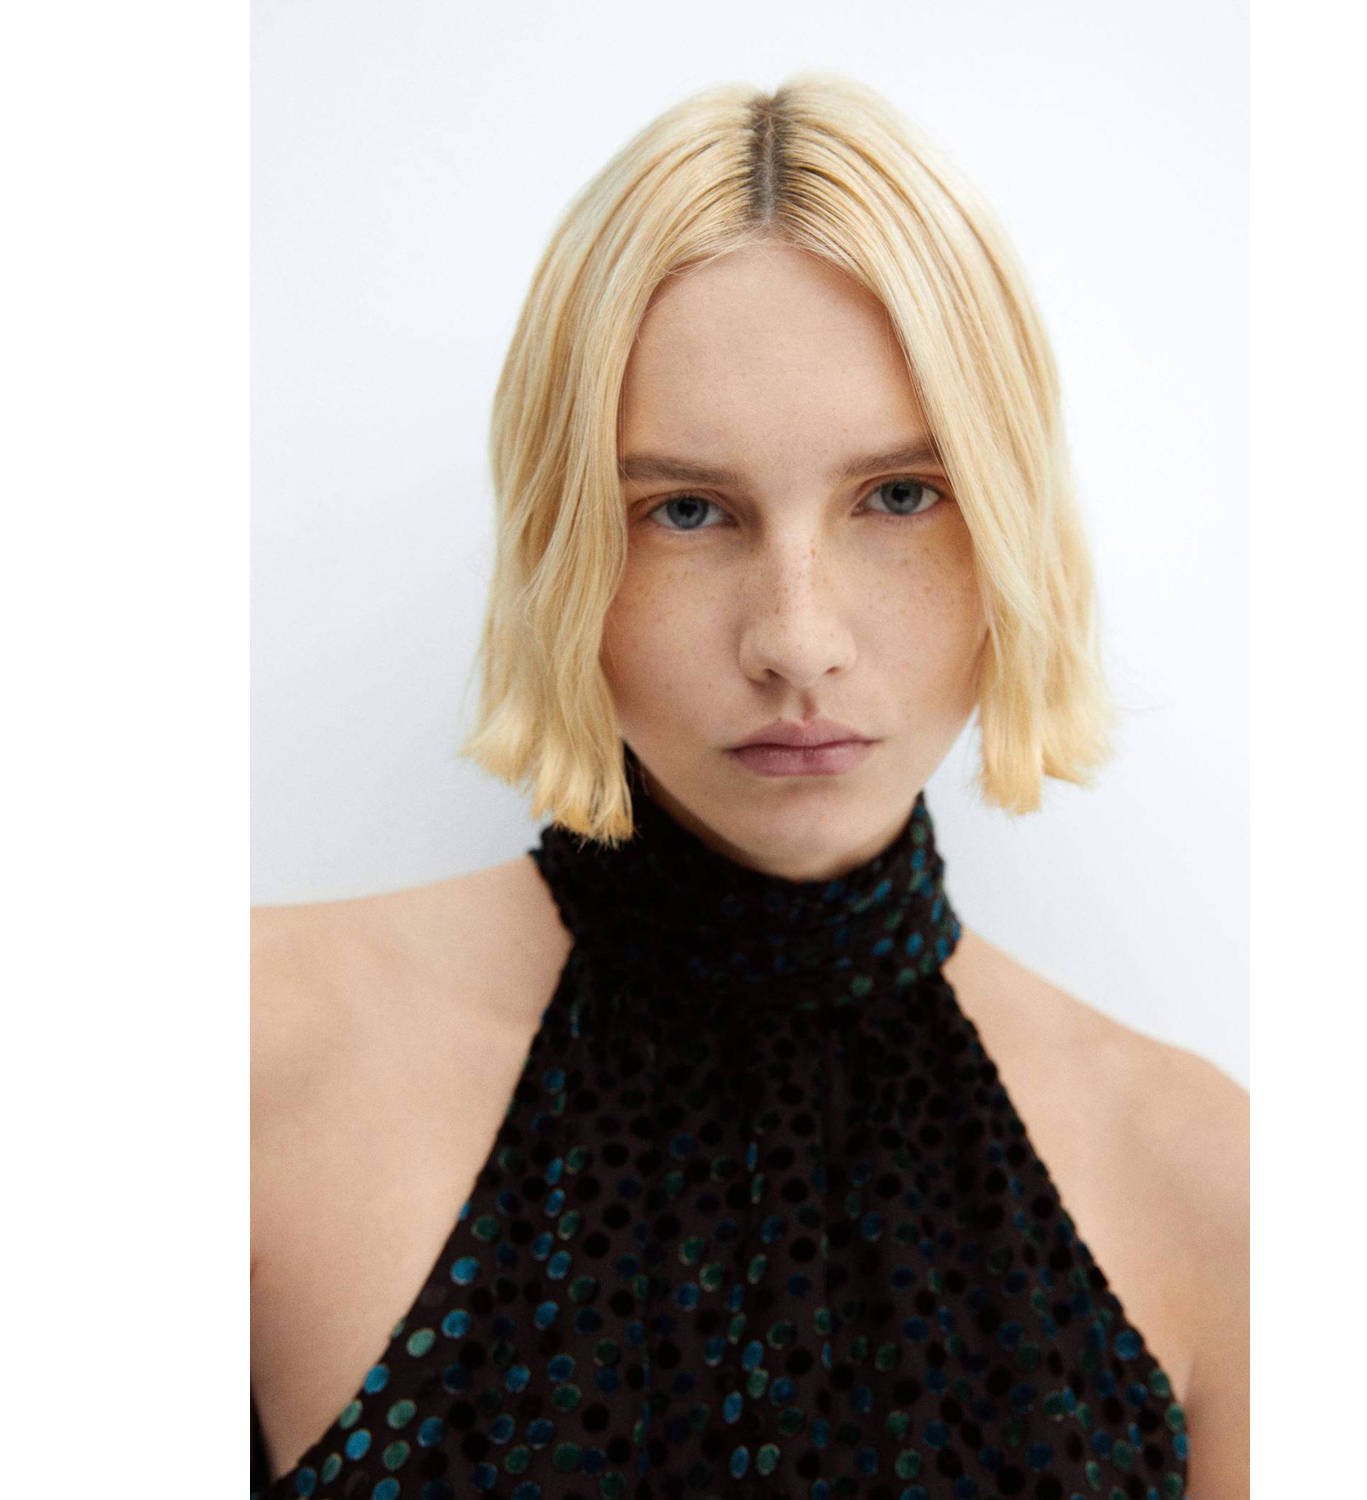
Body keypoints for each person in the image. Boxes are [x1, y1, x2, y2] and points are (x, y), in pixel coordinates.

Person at [251, 73, 1248, 1500]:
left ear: (1014, 521)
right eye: (687, 510)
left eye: (899, 496)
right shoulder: (245, 1059)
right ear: (562, 547)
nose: (797, 640)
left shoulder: (1213, 1187)